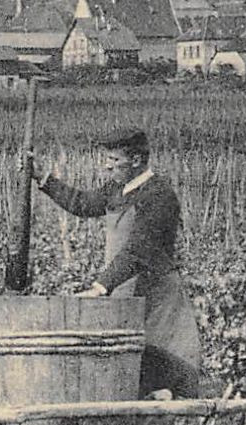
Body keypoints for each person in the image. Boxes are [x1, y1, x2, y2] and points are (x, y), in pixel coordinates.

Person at [27, 127, 202, 399]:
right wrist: (43, 178)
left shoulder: (158, 195)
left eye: (114, 160)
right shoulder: (117, 189)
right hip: (124, 292)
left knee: (157, 374)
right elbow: (82, 204)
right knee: (127, 373)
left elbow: (138, 249)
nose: (107, 167)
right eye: (106, 159)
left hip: (155, 299)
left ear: (136, 161)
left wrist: (100, 287)